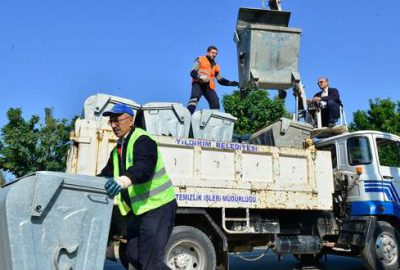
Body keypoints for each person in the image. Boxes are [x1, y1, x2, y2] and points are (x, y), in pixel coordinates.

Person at [99, 103, 177, 270]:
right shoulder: (117, 150)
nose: (113, 125)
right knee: (130, 254)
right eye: (111, 121)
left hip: (158, 206)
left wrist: (124, 180)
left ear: (130, 120)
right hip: (140, 210)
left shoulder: (143, 139)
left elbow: (144, 167)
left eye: (117, 120)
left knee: (150, 262)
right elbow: (105, 174)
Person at [187, 45, 239, 114]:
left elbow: (220, 80)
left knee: (215, 102)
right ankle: (187, 117)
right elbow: (192, 72)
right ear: (208, 52)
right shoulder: (200, 59)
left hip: (209, 87)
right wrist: (200, 77)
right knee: (194, 99)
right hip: (198, 84)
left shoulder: (216, 65)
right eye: (213, 52)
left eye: (216, 54)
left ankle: (214, 122)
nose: (214, 55)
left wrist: (232, 83)